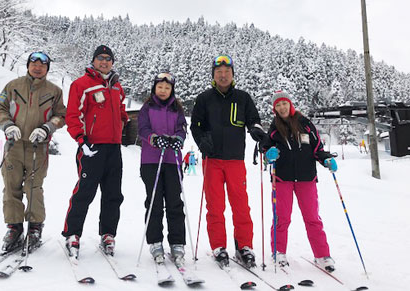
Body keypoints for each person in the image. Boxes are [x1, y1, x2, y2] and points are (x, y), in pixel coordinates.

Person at [190, 54, 266, 268]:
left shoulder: (243, 98)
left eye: (227, 72)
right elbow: (195, 125)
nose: (223, 76)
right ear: (213, 75)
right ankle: (218, 246)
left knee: (241, 205)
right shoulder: (204, 98)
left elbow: (254, 120)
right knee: (215, 206)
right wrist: (201, 141)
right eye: (219, 73)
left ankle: (244, 246)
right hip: (212, 160)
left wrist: (257, 132)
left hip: (235, 160)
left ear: (232, 74)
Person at [0, 51, 66, 252]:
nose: (37, 67)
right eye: (33, 63)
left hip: (38, 147)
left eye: (42, 65)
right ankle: (14, 227)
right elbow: (0, 108)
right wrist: (7, 125)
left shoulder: (54, 91)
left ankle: (34, 227)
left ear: (47, 69)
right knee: (11, 186)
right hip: (14, 145)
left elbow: (61, 115)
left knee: (34, 187)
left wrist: (46, 128)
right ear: (28, 66)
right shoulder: (13, 86)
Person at [62, 45, 128, 259]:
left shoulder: (117, 86)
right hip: (91, 147)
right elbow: (73, 115)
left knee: (113, 194)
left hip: (113, 149)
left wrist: (123, 120)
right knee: (85, 192)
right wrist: (81, 140)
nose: (104, 62)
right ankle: (72, 234)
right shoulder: (81, 84)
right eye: (100, 58)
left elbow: (120, 110)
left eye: (108, 58)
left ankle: (108, 234)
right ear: (93, 60)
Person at [261, 90, 337, 272]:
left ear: (290, 104)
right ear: (274, 109)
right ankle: (278, 252)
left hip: (306, 178)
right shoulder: (273, 129)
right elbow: (265, 149)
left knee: (312, 218)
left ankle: (322, 255)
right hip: (282, 178)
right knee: (282, 218)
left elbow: (317, 147)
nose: (282, 107)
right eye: (278, 105)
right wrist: (268, 155)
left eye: (284, 103)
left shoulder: (305, 124)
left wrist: (325, 158)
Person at [138, 72, 187, 263]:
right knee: (154, 202)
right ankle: (155, 241)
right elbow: (143, 129)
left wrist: (178, 139)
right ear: (154, 88)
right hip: (151, 160)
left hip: (172, 161)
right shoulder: (147, 107)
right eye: (160, 87)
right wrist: (154, 139)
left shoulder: (177, 109)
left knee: (175, 201)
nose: (163, 90)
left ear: (172, 89)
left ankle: (177, 242)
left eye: (167, 88)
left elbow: (182, 128)